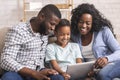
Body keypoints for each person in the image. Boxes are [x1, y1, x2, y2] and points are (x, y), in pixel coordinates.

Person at [0, 4, 64, 80]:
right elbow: (5, 60)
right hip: (18, 73)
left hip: (40, 71)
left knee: (58, 78)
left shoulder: (46, 31)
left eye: (55, 26)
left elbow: (65, 31)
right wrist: (33, 73)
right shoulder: (19, 30)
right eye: (52, 24)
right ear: (42, 17)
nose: (53, 28)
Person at [70, 3, 120, 80]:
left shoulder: (103, 31)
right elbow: (58, 30)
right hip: (94, 70)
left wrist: (107, 59)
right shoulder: (74, 35)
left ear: (93, 23)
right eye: (81, 22)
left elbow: (119, 51)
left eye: (88, 23)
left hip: (111, 64)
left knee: (102, 75)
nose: (83, 26)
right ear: (76, 21)